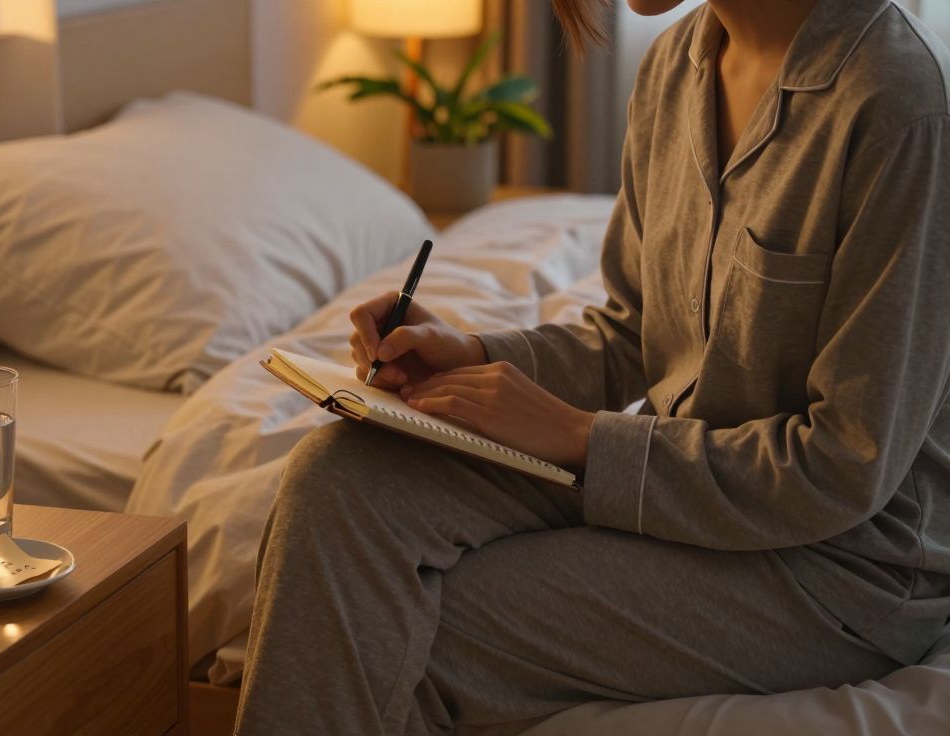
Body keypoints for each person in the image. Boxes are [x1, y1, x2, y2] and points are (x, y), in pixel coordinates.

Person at [233, 0, 950, 733]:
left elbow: (842, 465)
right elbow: (634, 334)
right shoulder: (676, 64)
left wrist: (578, 435)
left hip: (838, 569)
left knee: (393, 627)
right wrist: (475, 358)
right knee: (340, 476)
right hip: (687, 490)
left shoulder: (898, 101)